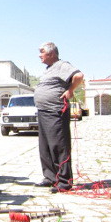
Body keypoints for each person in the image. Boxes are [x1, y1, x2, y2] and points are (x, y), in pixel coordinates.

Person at [33, 42, 84, 193]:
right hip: (43, 111)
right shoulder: (48, 69)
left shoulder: (61, 65)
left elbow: (79, 76)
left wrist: (70, 90)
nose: (39, 55)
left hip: (55, 111)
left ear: (52, 54)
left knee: (58, 146)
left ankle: (64, 182)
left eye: (42, 52)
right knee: (45, 147)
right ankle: (50, 178)